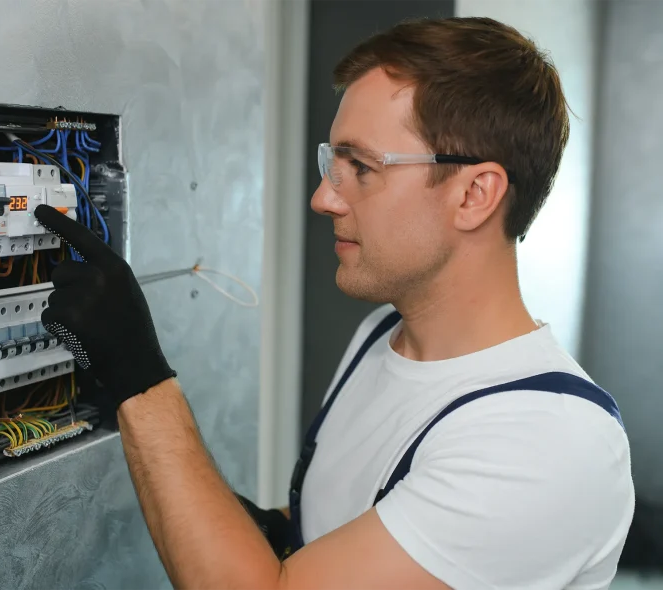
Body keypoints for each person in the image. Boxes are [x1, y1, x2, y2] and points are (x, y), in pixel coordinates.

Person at [35, 15, 634, 590]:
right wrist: (261, 529)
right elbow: (343, 541)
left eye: (361, 167)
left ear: (475, 194)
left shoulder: (545, 442)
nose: (324, 198)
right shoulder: (382, 335)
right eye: (332, 163)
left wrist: (140, 381)